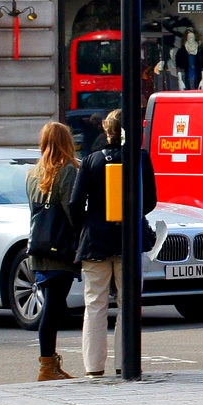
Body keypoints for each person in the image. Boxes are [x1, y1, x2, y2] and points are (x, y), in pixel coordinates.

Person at [70, 110, 157, 376]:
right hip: (127, 241)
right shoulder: (140, 158)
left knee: (95, 304)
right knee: (128, 302)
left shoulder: (92, 160)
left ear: (106, 131)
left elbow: (75, 203)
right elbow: (150, 201)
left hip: (95, 240)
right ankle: (124, 362)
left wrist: (86, 225)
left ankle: (93, 367)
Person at [26, 121, 82, 381]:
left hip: (40, 247)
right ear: (66, 142)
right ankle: (46, 366)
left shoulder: (33, 172)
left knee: (51, 305)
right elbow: (72, 211)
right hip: (61, 249)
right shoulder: (67, 170)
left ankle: (49, 362)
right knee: (52, 307)